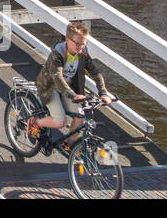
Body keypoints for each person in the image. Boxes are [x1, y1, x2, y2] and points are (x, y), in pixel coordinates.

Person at [28, 20, 113, 148]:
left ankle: (68, 144)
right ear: (67, 40)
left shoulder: (83, 53)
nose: (80, 47)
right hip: (50, 88)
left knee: (81, 117)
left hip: (69, 90)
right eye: (77, 43)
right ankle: (36, 122)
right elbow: (57, 77)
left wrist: (103, 93)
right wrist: (73, 95)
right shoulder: (57, 54)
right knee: (60, 122)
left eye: (83, 44)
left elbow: (96, 73)